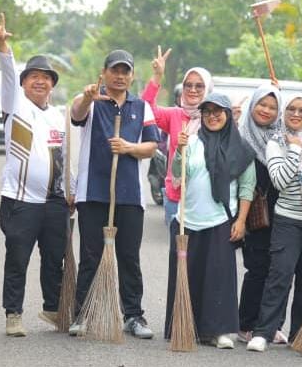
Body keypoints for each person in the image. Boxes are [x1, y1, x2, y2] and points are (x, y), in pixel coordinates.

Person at [69, 50, 160, 339]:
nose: (120, 76)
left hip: (130, 195)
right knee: (91, 255)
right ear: (104, 72)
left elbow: (151, 146)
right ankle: (82, 314)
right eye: (115, 70)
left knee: (129, 257)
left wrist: (128, 148)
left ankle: (133, 316)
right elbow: (77, 114)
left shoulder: (142, 107)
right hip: (93, 193)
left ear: (132, 76)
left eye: (125, 71)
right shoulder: (91, 101)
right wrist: (87, 97)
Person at [0, 16, 69, 336]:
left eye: (46, 78)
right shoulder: (15, 106)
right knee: (18, 259)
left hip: (54, 202)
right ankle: (13, 314)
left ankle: (53, 309)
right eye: (34, 77)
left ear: (52, 84)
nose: (40, 82)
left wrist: (71, 192)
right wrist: (3, 47)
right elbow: (8, 75)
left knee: (54, 259)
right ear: (23, 83)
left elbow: (65, 158)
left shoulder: (59, 116)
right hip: (21, 201)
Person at [166, 93, 252, 349]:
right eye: (207, 112)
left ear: (228, 115)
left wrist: (241, 221)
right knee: (188, 276)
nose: (212, 117)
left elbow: (247, 188)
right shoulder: (192, 142)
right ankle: (186, 326)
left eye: (218, 112)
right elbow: (177, 175)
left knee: (218, 278)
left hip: (220, 220)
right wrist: (180, 151)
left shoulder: (241, 148)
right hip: (188, 220)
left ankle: (219, 331)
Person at [247, 91, 302, 352]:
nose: (296, 114)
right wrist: (294, 149)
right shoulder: (276, 141)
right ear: (284, 112)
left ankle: (300, 335)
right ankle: (263, 332)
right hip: (287, 219)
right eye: (291, 109)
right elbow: (280, 181)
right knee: (280, 274)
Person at [141, 45, 213, 227]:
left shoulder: (215, 118)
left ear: (208, 88)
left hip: (205, 198)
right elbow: (145, 108)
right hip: (175, 197)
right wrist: (157, 76)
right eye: (188, 85)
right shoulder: (175, 115)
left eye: (199, 86)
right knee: (177, 244)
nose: (193, 89)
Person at [235, 84, 282, 343]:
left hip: (282, 213)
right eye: (262, 104)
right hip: (252, 213)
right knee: (257, 268)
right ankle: (246, 323)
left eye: (273, 107)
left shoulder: (282, 136)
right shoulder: (240, 135)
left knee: (278, 270)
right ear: (252, 105)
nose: (266, 110)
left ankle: (270, 325)